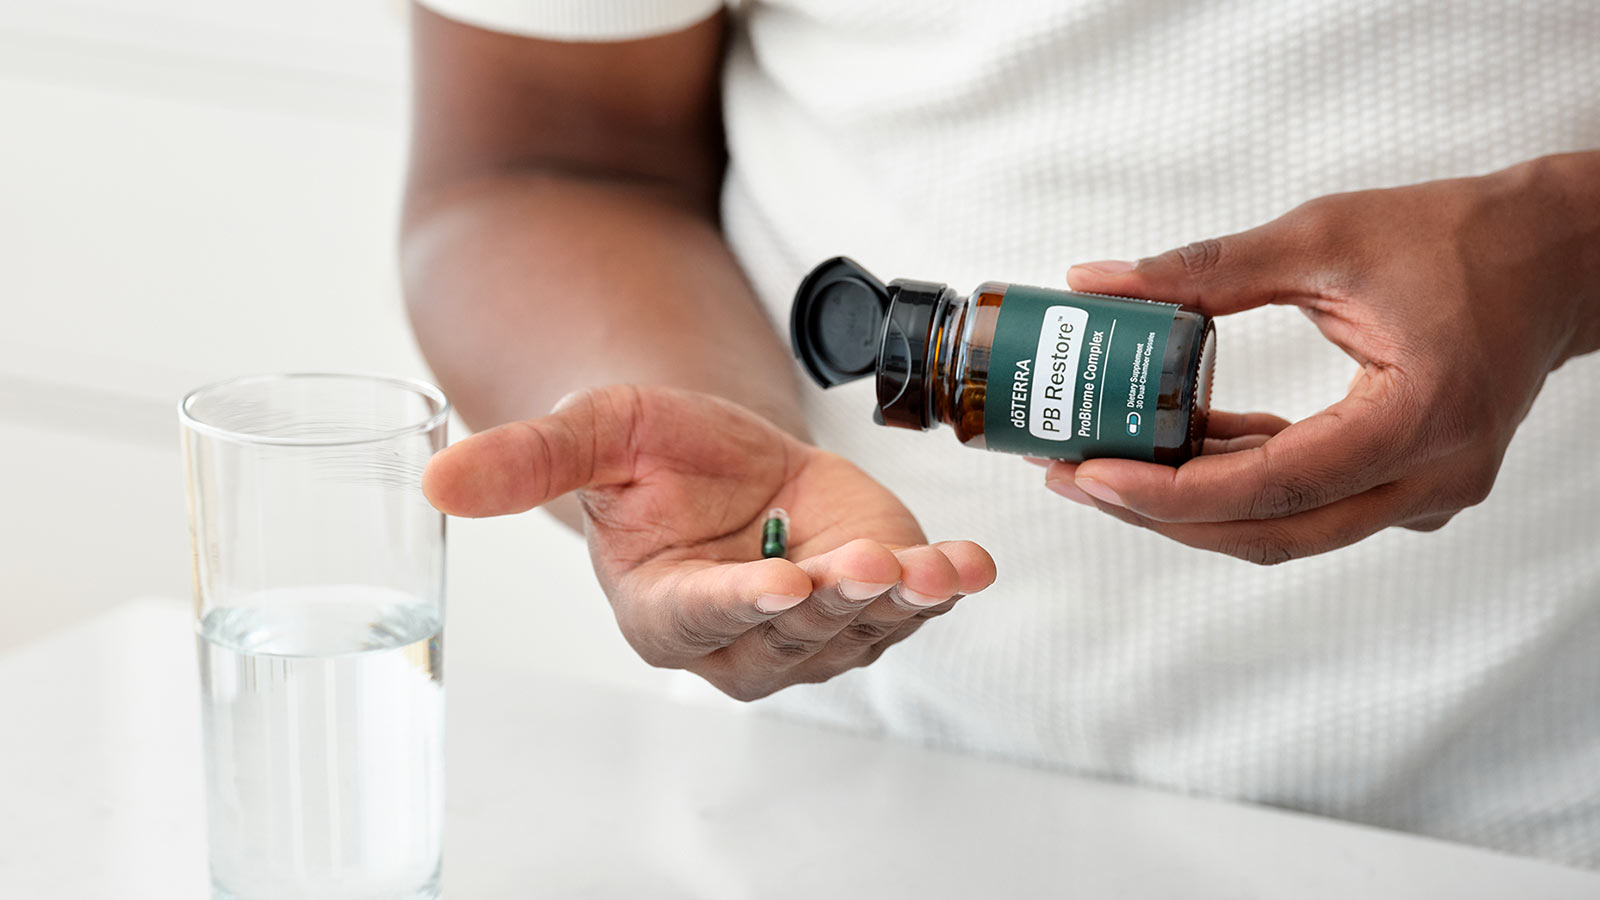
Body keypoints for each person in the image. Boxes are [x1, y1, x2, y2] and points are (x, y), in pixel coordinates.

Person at [400, 0, 1600, 868]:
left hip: (1528, 802)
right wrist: (690, 444)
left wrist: (1567, 250)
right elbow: (547, 157)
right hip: (860, 791)